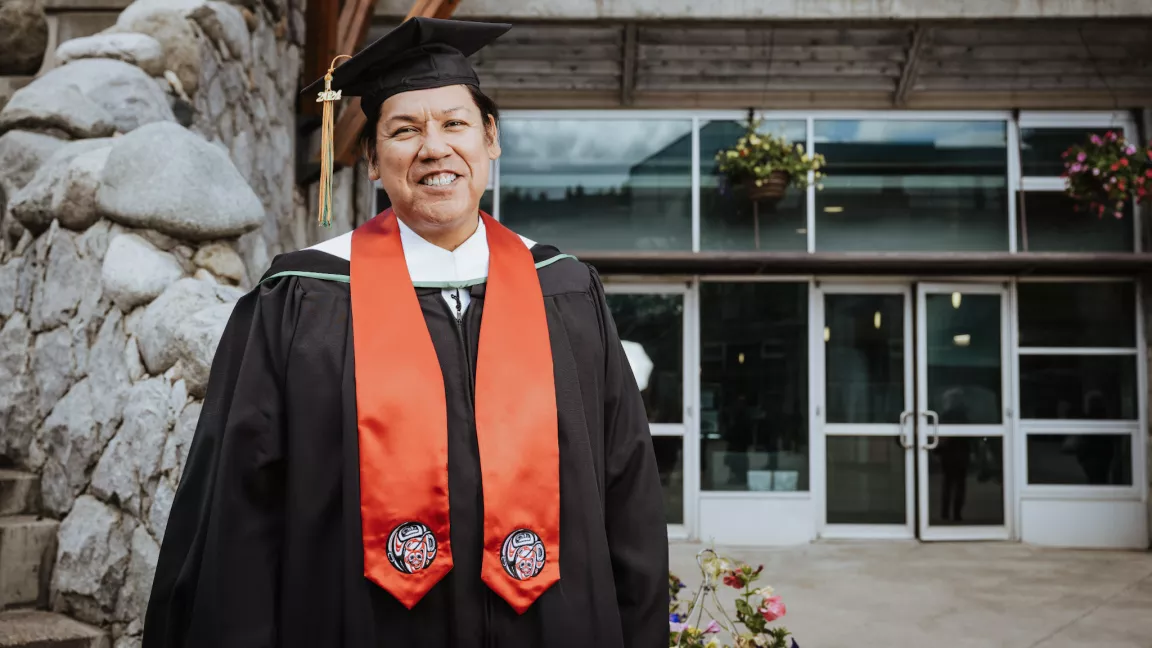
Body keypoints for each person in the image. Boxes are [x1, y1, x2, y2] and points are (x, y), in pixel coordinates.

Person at [142, 17, 668, 648]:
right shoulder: (300, 298)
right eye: (404, 130)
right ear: (370, 159)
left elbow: (627, 490)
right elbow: (239, 508)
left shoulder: (566, 291)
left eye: (454, 124)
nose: (433, 148)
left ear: (490, 138)